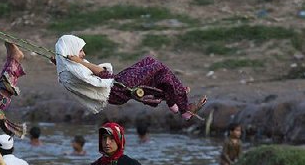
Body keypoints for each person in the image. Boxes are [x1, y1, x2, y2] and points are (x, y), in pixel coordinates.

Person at [55, 34, 207, 120]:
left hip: (115, 83)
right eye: (81, 51)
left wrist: (62, 61)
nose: (83, 54)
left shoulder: (69, 67)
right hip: (115, 89)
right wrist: (78, 61)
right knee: (158, 68)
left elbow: (90, 72)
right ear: (72, 50)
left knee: (150, 62)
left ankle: (174, 98)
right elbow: (99, 74)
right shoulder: (74, 68)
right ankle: (184, 107)